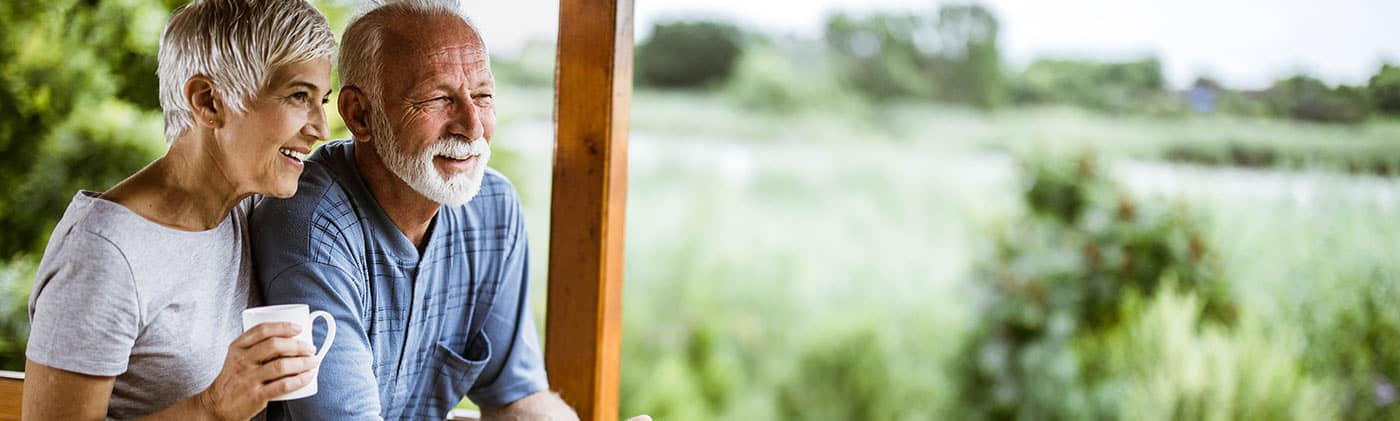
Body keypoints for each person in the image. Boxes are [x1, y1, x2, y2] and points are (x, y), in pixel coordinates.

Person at [249, 0, 607, 419]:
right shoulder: (311, 225)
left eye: (482, 95)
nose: (472, 127)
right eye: (439, 99)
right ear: (359, 115)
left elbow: (518, 399)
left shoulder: (494, 207)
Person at [22, 1, 336, 419]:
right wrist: (210, 408)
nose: (319, 128)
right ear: (208, 101)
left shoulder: (243, 213)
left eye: (323, 100)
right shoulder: (102, 254)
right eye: (299, 96)